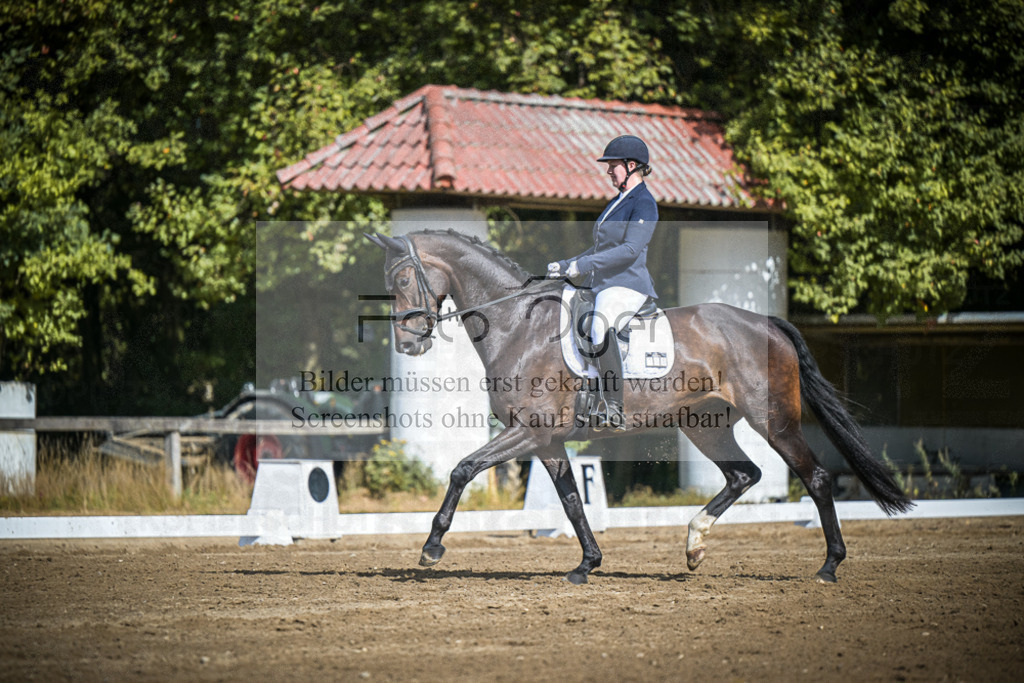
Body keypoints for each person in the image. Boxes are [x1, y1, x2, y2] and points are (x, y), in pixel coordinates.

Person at [547, 135, 658, 431]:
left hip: (628, 284)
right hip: (603, 283)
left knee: (599, 325)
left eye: (613, 166)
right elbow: (600, 249)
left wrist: (582, 266)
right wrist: (566, 263)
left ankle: (614, 407)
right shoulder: (617, 202)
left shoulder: (644, 204)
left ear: (631, 166)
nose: (609, 171)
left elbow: (629, 251)